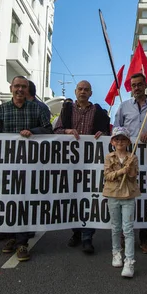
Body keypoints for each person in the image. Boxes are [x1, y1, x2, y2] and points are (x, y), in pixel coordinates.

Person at [0, 76, 53, 261]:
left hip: (30, 165)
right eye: (17, 86)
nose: (20, 89)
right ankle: (11, 237)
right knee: (9, 201)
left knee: (26, 202)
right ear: (11, 88)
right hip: (8, 164)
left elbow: (48, 130)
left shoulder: (37, 108)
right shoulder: (1, 109)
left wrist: (33, 132)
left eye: (23, 87)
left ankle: (22, 242)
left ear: (27, 89)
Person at [54, 80, 111, 254]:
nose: (83, 92)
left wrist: (104, 134)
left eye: (86, 89)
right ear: (75, 91)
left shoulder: (99, 112)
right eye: (80, 89)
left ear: (91, 93)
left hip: (91, 162)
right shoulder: (66, 110)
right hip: (71, 163)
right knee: (73, 197)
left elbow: (109, 134)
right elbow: (56, 131)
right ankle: (76, 233)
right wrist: (67, 131)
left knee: (89, 197)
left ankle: (88, 237)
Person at [113, 73, 147, 254]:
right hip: (126, 161)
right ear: (131, 87)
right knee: (125, 197)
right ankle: (124, 235)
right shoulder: (124, 106)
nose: (136, 88)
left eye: (139, 84)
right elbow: (115, 128)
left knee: (144, 198)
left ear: (145, 85)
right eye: (133, 85)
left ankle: (144, 239)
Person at [103, 127, 140, 278]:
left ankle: (129, 261)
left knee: (128, 229)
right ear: (112, 141)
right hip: (113, 194)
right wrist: (120, 172)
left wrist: (129, 168)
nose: (120, 142)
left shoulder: (133, 157)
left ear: (128, 142)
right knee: (116, 227)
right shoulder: (109, 157)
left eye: (123, 139)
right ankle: (116, 252)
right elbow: (107, 175)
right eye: (117, 139)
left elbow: (133, 176)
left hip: (128, 196)